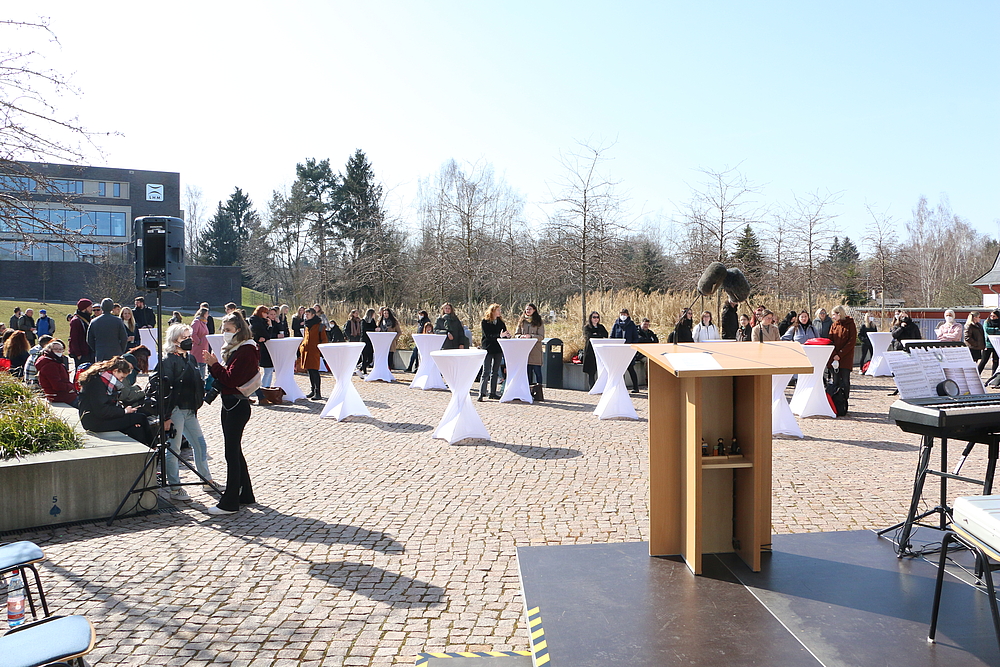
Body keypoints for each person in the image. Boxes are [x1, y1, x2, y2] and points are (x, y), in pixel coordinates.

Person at [203, 313, 260, 515]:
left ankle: (230, 502)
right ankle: (245, 494)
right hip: (231, 403)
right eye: (223, 329)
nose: (224, 333)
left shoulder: (246, 350)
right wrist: (215, 366)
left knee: (231, 453)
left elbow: (230, 378)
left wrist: (214, 364)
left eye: (228, 330)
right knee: (234, 451)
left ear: (238, 330)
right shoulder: (239, 349)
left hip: (236, 404)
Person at [159, 324, 213, 501]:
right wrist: (166, 416)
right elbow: (164, 390)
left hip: (190, 410)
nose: (189, 340)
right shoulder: (167, 361)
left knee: (200, 444)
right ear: (175, 340)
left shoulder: (190, 359)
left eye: (189, 336)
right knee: (174, 449)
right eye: (185, 337)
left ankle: (206, 480)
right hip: (175, 411)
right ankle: (175, 487)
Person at [77, 357, 153, 444]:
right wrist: (124, 411)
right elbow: (102, 410)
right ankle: (153, 447)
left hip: (97, 418)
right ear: (116, 371)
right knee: (141, 418)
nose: (121, 380)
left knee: (135, 428)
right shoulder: (97, 383)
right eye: (122, 377)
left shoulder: (102, 379)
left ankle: (146, 450)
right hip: (94, 422)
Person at [828, 305, 858, 405]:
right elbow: (830, 340)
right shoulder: (834, 325)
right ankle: (835, 401)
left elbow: (851, 341)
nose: (832, 317)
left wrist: (841, 354)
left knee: (845, 380)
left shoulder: (850, 324)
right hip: (835, 357)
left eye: (834, 315)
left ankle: (844, 400)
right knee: (835, 380)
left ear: (839, 314)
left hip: (846, 357)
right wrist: (835, 354)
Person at [35, 340, 79, 407]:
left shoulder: (53, 361)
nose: (58, 351)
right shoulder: (50, 365)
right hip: (59, 396)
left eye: (61, 349)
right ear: (49, 350)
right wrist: (71, 387)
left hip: (59, 395)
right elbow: (57, 385)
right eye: (55, 349)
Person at [479, 303, 509, 401]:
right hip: (488, 348)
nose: (500, 312)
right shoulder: (485, 322)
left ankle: (492, 392)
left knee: (495, 371)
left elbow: (504, 333)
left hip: (498, 348)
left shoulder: (501, 322)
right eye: (498, 310)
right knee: (486, 371)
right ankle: (482, 392)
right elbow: (488, 335)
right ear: (493, 311)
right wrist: (499, 335)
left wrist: (507, 335)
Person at [299, 307, 328, 400]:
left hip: (314, 351)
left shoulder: (320, 326)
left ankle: (318, 392)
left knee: (315, 371)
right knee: (310, 371)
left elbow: (324, 340)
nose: (306, 316)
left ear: (313, 315)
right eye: (305, 314)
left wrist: (321, 351)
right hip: (306, 351)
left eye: (307, 314)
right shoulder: (306, 325)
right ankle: (312, 390)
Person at [248, 305, 276, 399]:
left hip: (263, 348)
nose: (267, 315)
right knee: (266, 370)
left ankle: (264, 389)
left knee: (268, 370)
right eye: (266, 313)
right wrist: (270, 326)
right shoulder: (257, 323)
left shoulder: (261, 322)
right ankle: (264, 389)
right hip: (261, 349)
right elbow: (267, 335)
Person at [610, 308, 640, 391]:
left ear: (628, 315)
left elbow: (635, 337)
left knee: (630, 368)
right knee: (620, 370)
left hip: (628, 350)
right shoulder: (616, 324)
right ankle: (621, 387)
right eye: (621, 314)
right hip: (618, 350)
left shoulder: (631, 324)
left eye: (624, 314)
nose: (623, 316)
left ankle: (636, 387)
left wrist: (632, 346)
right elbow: (612, 336)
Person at [515, 303, 545, 385]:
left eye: (530, 309)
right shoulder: (521, 321)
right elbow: (516, 334)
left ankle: (538, 391)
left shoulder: (539, 321)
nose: (528, 311)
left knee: (537, 372)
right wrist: (520, 336)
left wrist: (531, 336)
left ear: (534, 310)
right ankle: (528, 391)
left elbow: (541, 336)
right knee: (527, 373)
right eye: (527, 309)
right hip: (524, 350)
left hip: (535, 350)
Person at [582, 311, 608, 389]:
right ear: (590, 318)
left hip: (600, 351)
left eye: (597, 317)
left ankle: (600, 386)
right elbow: (588, 336)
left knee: (600, 369)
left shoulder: (601, 327)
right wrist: (597, 335)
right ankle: (592, 387)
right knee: (591, 371)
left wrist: (596, 335)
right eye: (594, 317)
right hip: (590, 351)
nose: (596, 319)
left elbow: (605, 335)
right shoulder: (587, 327)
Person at [69, 298, 94, 368]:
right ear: (84, 308)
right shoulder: (76, 321)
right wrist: (78, 354)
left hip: (88, 351)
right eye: (90, 307)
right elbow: (74, 338)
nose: (92, 309)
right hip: (82, 353)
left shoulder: (88, 319)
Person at [191, 308, 211, 377]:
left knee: (203, 364)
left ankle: (202, 381)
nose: (208, 315)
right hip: (198, 347)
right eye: (207, 313)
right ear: (204, 314)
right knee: (199, 364)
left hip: (204, 347)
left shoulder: (204, 323)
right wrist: (199, 342)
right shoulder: (197, 322)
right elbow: (193, 333)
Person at [980, 310, 1000, 375]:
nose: (992, 317)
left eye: (994, 316)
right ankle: (978, 373)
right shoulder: (987, 322)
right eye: (991, 315)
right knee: (984, 360)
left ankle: (993, 376)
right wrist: (997, 330)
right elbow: (987, 330)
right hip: (988, 344)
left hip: (996, 344)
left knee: (996, 361)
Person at [359, 308, 378, 375]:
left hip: (371, 341)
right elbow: (364, 330)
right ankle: (364, 371)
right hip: (364, 340)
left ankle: (360, 368)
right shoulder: (363, 321)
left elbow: (375, 327)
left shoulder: (372, 321)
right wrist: (374, 329)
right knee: (364, 357)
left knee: (370, 358)